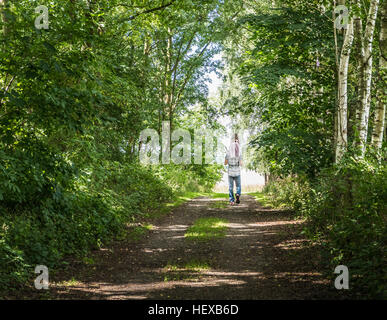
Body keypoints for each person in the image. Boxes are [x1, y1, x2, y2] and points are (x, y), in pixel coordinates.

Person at [224, 134, 242, 205]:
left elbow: (225, 163)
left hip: (230, 172)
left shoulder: (228, 153)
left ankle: (232, 200)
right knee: (238, 186)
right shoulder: (239, 154)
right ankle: (237, 194)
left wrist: (227, 159)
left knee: (230, 187)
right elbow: (241, 164)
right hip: (237, 172)